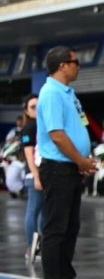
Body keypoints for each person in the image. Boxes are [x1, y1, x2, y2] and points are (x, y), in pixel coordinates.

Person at [35, 46, 98, 279]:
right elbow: (57, 135)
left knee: (70, 228)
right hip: (58, 168)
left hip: (70, 168)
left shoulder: (68, 93)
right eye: (75, 61)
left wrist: (82, 161)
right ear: (62, 65)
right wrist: (81, 160)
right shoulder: (51, 93)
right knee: (56, 228)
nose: (78, 66)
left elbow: (76, 128)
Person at [20, 95, 43, 260]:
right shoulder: (29, 127)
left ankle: (39, 247)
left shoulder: (43, 124)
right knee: (33, 211)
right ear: (27, 111)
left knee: (44, 213)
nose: (37, 109)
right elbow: (29, 154)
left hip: (46, 174)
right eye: (32, 107)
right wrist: (36, 176)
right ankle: (30, 247)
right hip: (34, 174)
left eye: (38, 105)